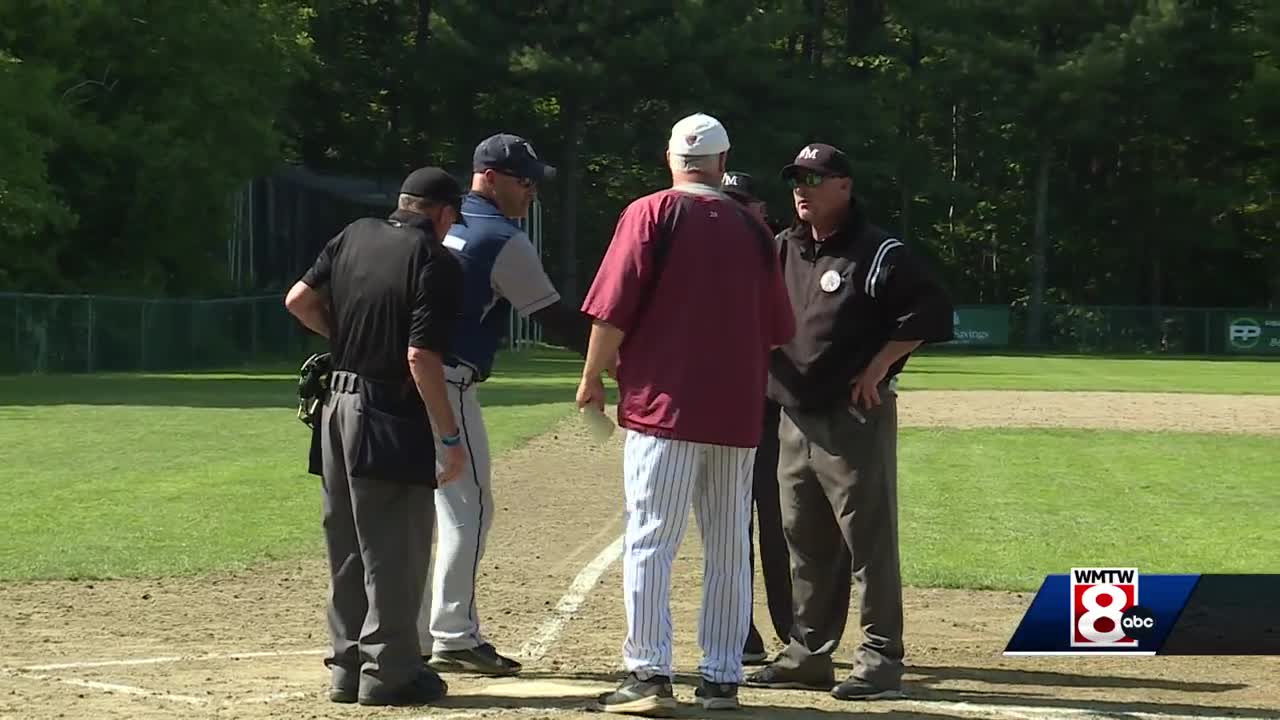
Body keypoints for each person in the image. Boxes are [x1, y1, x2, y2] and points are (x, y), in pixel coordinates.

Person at [577, 113, 795, 714]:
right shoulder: (755, 228)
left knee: (652, 538)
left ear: (672, 159)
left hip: (663, 407)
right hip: (735, 411)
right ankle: (722, 677)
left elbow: (612, 309)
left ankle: (648, 675)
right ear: (723, 164)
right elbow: (777, 330)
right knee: (728, 543)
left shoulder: (651, 213)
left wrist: (593, 374)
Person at [744, 143, 953, 701]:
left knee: (868, 542)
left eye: (816, 178)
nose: (802, 189)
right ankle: (808, 654)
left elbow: (931, 310)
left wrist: (881, 364)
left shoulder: (877, 250)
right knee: (803, 542)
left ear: (845, 186)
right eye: (797, 179)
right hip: (791, 417)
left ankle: (881, 658)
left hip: (851, 419)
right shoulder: (782, 247)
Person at [284, 167, 468, 707]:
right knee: (395, 545)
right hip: (388, 411)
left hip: (335, 405)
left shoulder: (353, 234)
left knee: (346, 543)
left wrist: (349, 336)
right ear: (443, 214)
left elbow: (298, 300)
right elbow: (420, 357)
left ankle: (346, 667)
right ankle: (390, 672)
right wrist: (449, 437)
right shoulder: (436, 261)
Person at [417, 133, 591, 677]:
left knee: (416, 512)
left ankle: (413, 630)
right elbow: (556, 320)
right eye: (524, 181)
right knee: (469, 509)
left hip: (394, 380)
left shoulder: (429, 226)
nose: (531, 192)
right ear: (488, 176)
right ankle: (455, 634)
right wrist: (615, 349)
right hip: (446, 380)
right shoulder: (501, 238)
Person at [720, 170, 793, 665]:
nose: (733, 211)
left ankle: (795, 631)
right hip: (725, 412)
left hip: (775, 413)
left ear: (760, 211)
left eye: (742, 204)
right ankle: (740, 628)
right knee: (730, 527)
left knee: (782, 524)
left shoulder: (782, 254)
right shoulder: (708, 258)